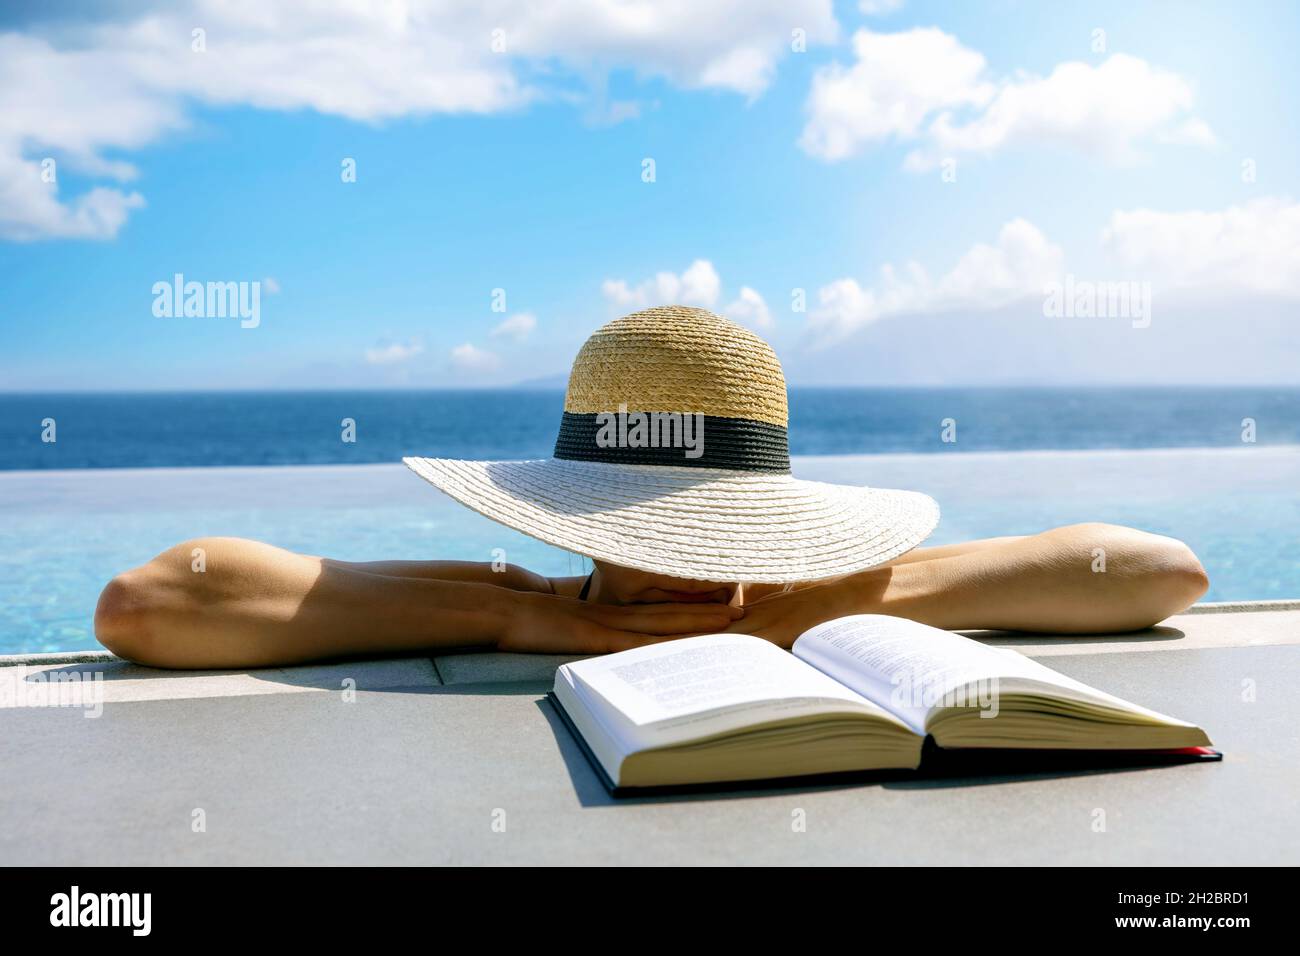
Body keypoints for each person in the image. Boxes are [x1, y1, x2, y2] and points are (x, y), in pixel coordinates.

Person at [94, 307, 1208, 669]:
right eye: (648, 524)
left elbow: (1164, 569)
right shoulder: (504, 594)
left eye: (712, 525)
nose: (685, 564)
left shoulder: (829, 598)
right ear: (570, 523)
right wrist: (513, 612)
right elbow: (150, 599)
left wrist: (820, 604)